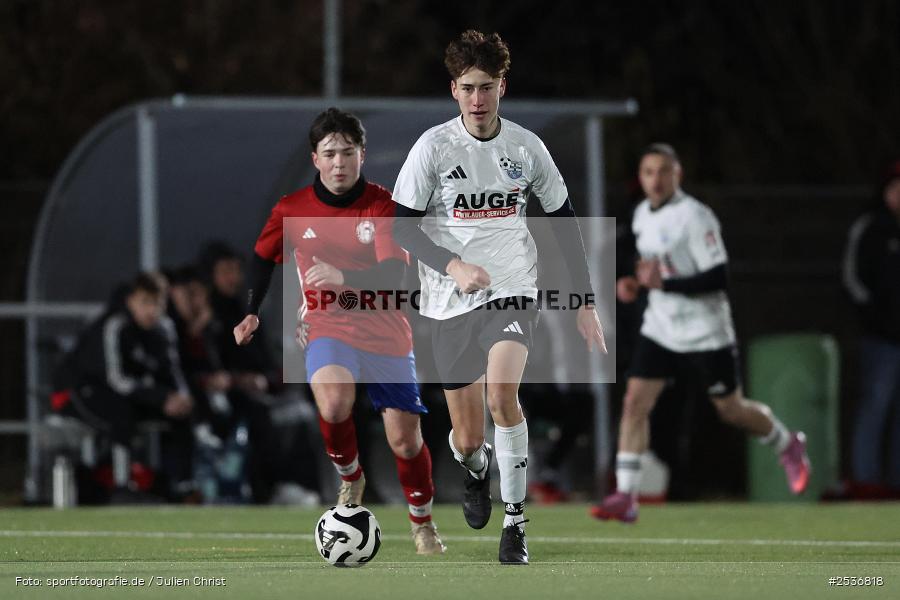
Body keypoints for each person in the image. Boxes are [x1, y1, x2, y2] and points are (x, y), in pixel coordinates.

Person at [391, 30, 606, 564]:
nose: (478, 99)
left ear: (502, 87)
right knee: (465, 437)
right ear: (454, 90)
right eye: (468, 88)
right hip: (448, 300)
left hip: (512, 289)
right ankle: (476, 466)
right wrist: (452, 264)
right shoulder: (434, 148)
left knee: (502, 398)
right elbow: (400, 227)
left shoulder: (526, 147)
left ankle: (515, 524)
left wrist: (583, 301)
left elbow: (562, 221)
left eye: (487, 87)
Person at [233, 108, 445, 554]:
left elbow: (393, 275)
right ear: (315, 158)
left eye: (348, 152)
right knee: (333, 403)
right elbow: (260, 258)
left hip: (386, 330)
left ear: (361, 155)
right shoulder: (291, 209)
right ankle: (351, 478)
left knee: (405, 442)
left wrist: (342, 278)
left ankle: (422, 521)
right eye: (330, 153)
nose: (339, 162)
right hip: (328, 325)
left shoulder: (383, 205)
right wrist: (252, 312)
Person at [590, 143, 811, 523]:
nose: (655, 180)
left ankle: (786, 443)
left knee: (731, 410)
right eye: (648, 172)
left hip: (706, 331)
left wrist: (663, 285)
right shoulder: (642, 214)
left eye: (663, 171)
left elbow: (719, 276)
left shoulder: (696, 217)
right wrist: (634, 284)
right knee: (634, 403)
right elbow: (657, 271)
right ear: (640, 179)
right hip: (660, 328)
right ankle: (626, 496)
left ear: (678, 175)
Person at [53, 273, 195, 500]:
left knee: (182, 413)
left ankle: (183, 485)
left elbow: (173, 372)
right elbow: (116, 379)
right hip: (79, 392)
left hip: (129, 393)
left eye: (158, 303)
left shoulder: (164, 328)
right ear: (131, 301)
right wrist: (161, 397)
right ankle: (121, 485)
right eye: (145, 302)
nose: (152, 310)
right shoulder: (114, 325)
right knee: (121, 411)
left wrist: (180, 396)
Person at [842, 159, 900, 493]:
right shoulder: (871, 228)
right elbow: (853, 280)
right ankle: (867, 483)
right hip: (881, 340)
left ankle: (895, 483)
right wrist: (876, 318)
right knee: (874, 410)